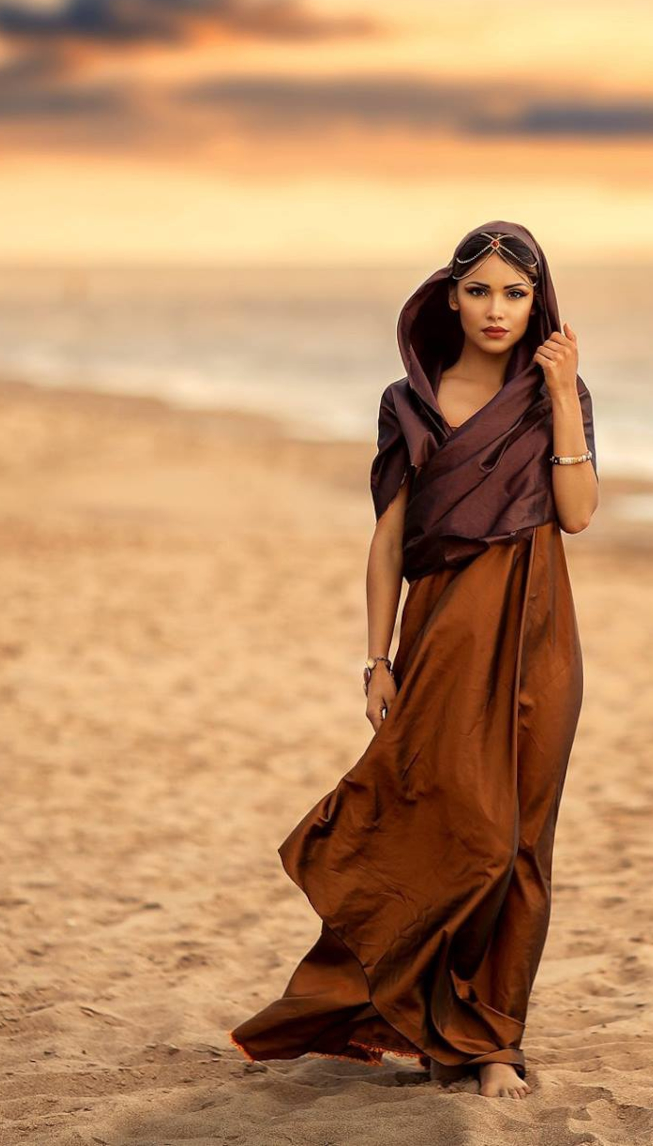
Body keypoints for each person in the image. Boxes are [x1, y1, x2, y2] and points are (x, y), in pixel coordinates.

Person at [228, 220, 598, 1100]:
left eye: (515, 293)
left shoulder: (560, 391)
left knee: (519, 843)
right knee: (454, 827)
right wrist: (376, 659)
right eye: (479, 291)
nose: (496, 310)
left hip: (539, 629)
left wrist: (561, 398)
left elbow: (577, 513)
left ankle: (491, 1040)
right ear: (450, 296)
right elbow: (388, 541)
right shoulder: (409, 401)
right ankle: (402, 1008)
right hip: (440, 633)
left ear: (538, 302)